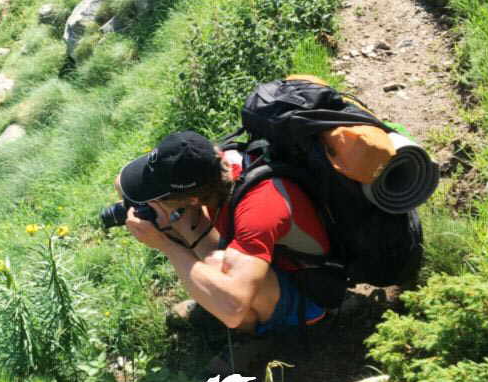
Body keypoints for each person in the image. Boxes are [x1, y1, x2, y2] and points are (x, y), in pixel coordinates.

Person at [115, 130, 331, 338]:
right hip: (268, 259)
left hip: (308, 291)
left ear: (193, 200)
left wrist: (167, 245)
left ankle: (258, 337)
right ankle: (213, 293)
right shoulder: (217, 165)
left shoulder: (258, 210)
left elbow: (234, 308)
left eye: (160, 198)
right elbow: (121, 181)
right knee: (186, 229)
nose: (155, 203)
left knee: (220, 273)